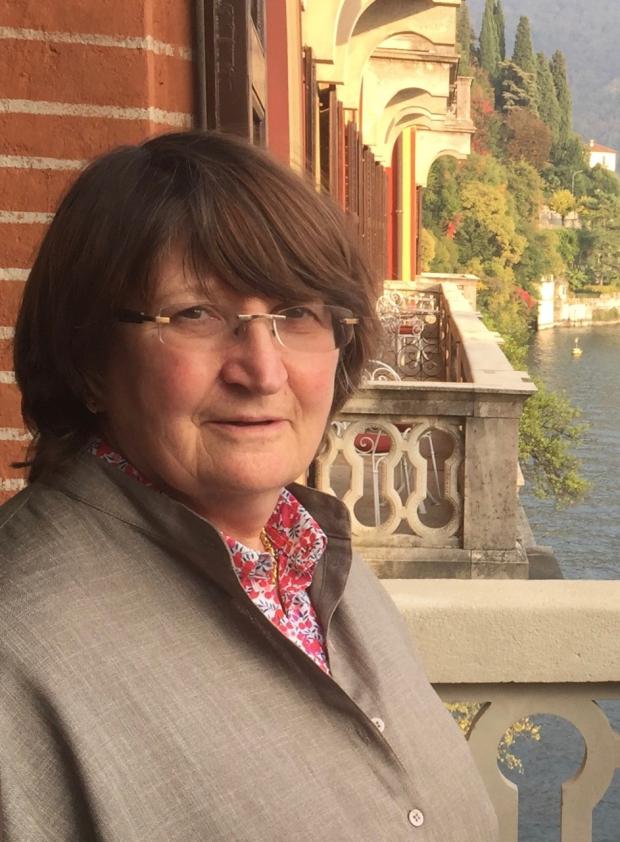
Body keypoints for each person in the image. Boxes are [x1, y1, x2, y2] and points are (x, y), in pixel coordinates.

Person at [0, 131, 498, 841]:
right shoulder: (18, 655)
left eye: (297, 313)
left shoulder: (318, 564)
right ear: (89, 359)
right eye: (196, 314)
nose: (262, 371)